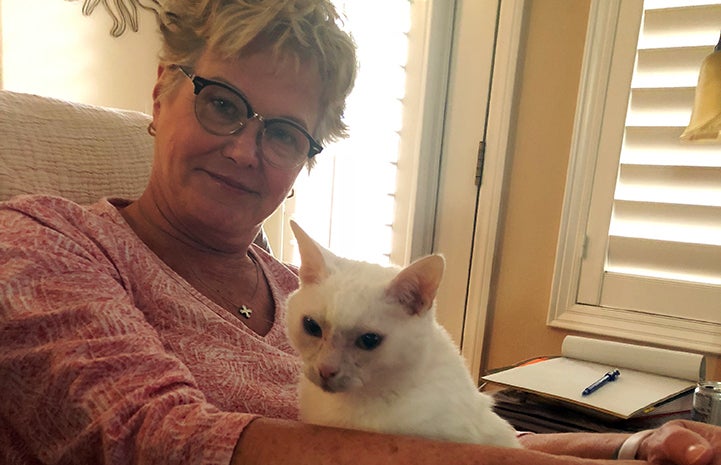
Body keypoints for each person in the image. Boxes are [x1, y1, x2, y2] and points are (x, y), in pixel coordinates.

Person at [0, 1, 720, 464]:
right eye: (223, 104)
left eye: (283, 132)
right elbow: (153, 439)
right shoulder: (44, 242)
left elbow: (444, 441)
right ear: (161, 89)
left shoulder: (298, 291)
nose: (246, 151)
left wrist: (629, 445)